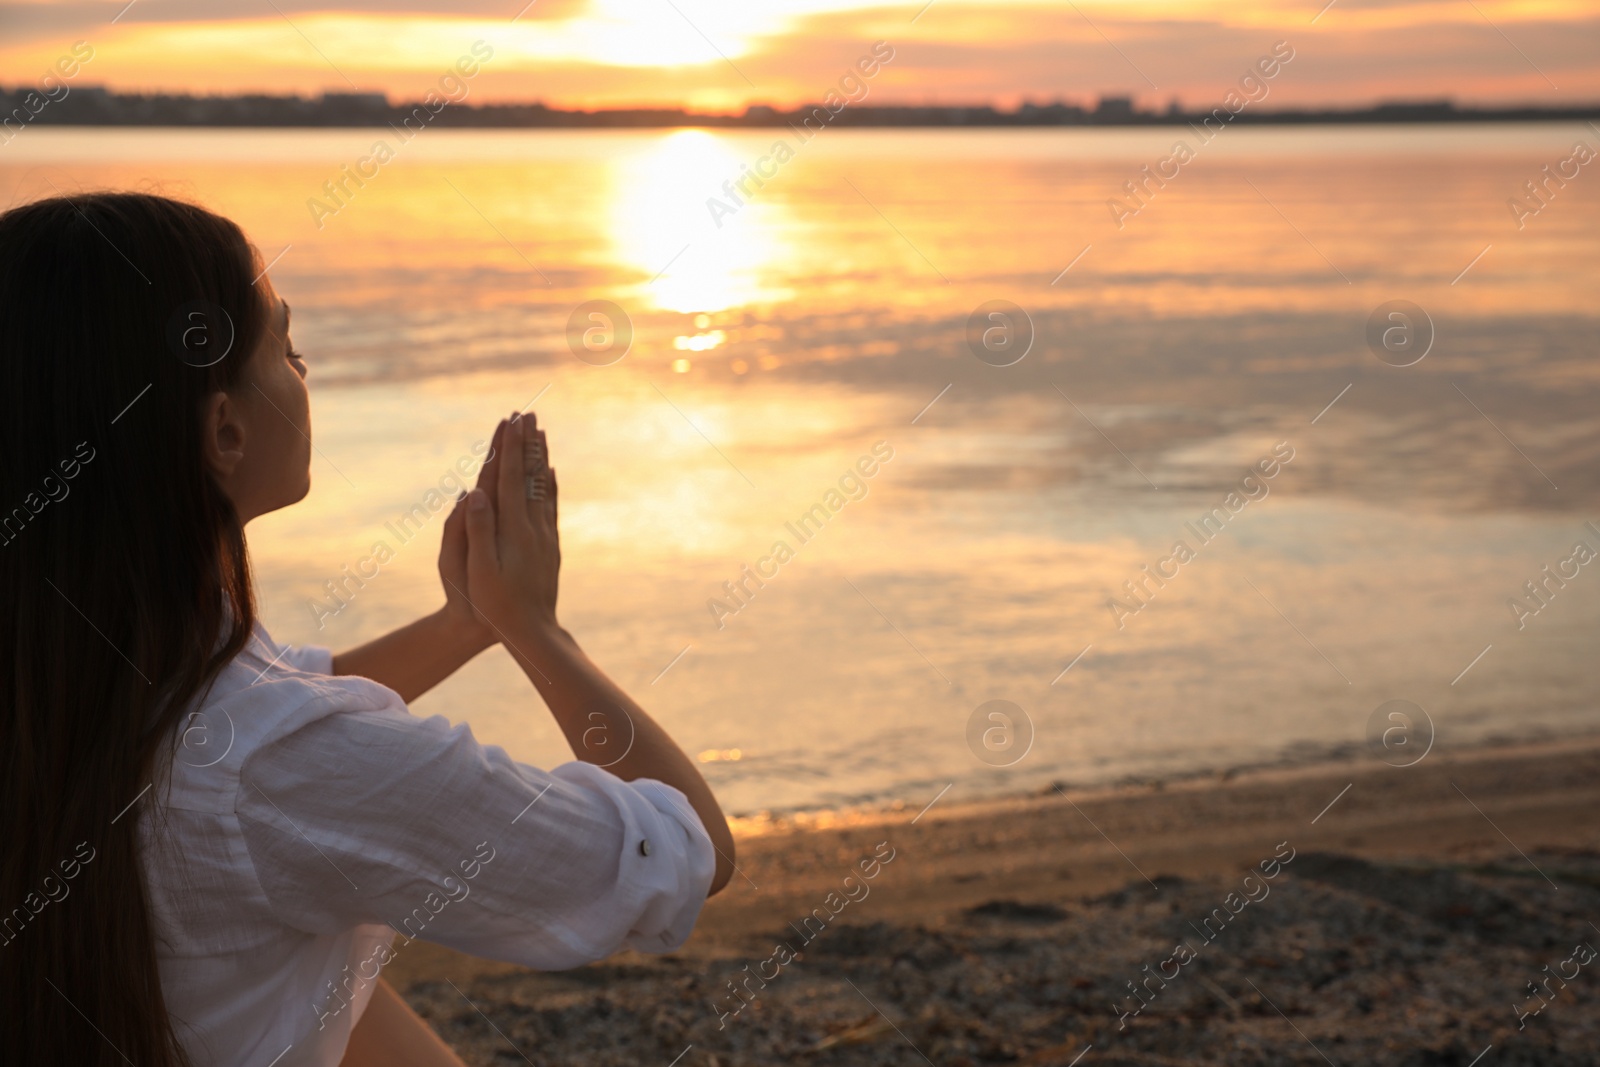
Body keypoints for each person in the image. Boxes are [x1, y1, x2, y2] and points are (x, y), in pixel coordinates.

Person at [0, 192, 735, 1067]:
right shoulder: (277, 767)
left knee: (341, 981)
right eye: (290, 349)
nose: (306, 376)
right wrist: (539, 631)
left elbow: (266, 720)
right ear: (224, 430)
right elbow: (684, 848)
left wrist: (467, 622)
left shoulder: (75, 665)